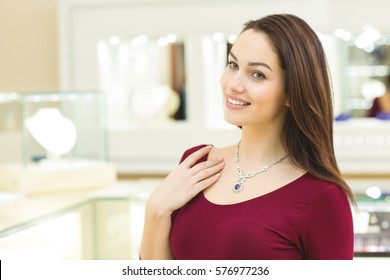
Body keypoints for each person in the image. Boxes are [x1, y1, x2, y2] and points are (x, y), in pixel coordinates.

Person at [140, 13, 355, 260]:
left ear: (291, 93)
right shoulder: (197, 163)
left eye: (257, 75)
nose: (233, 84)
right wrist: (156, 210)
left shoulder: (322, 196)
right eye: (233, 65)